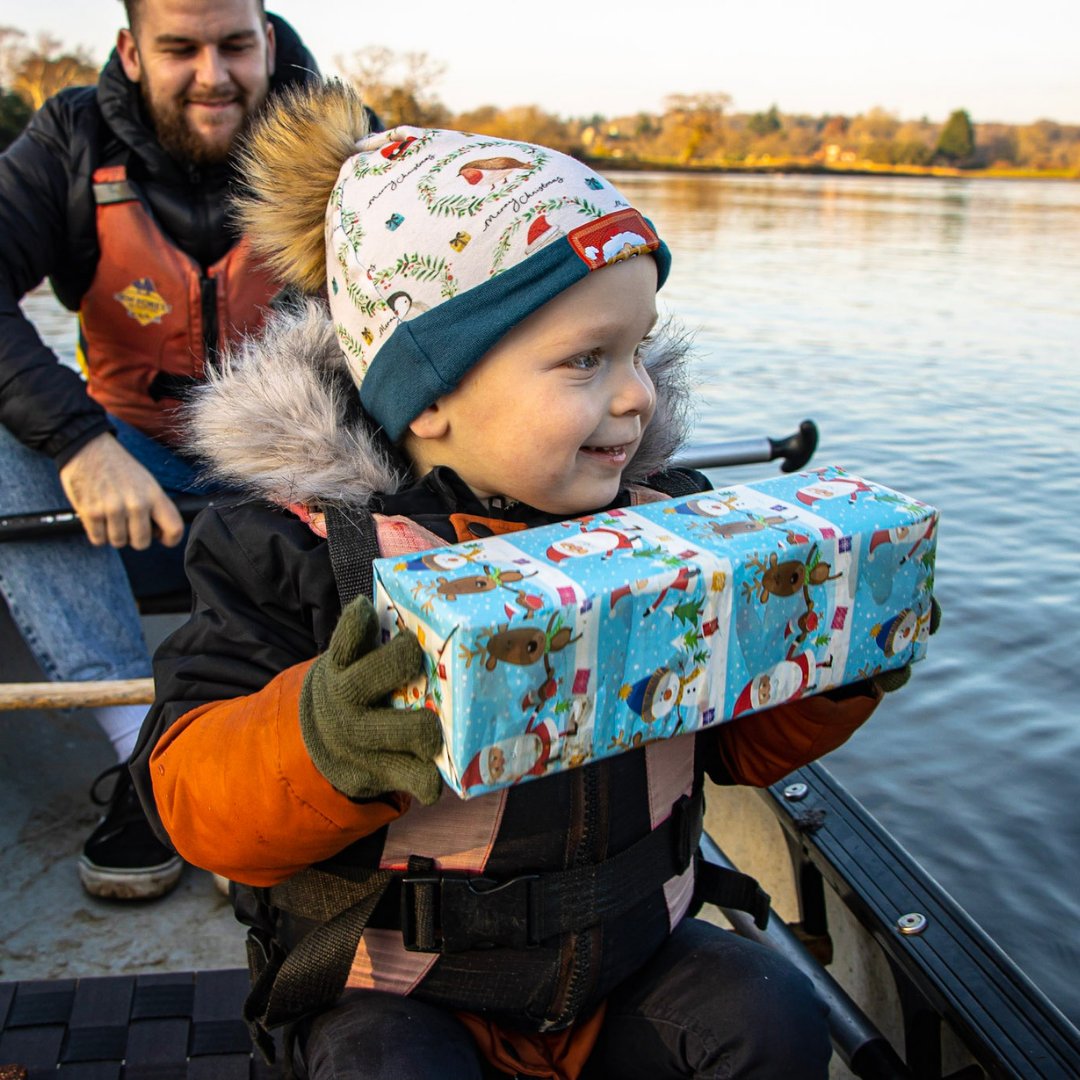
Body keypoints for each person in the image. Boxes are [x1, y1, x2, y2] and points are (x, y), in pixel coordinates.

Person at [132, 81, 894, 1079]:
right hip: (402, 992)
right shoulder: (291, 554)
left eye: (637, 348)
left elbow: (736, 749)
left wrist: (830, 665)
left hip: (628, 965)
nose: (637, 394)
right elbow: (190, 802)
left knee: (767, 1012)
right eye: (586, 361)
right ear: (432, 395)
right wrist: (320, 741)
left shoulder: (668, 524)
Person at [0, 0, 319, 899]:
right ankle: (143, 757)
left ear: (266, 39)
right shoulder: (68, 141)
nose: (213, 76)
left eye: (234, 45)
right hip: (128, 494)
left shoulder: (337, 139)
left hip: (288, 486)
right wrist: (78, 441)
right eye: (181, 48)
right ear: (132, 52)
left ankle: (284, 752)